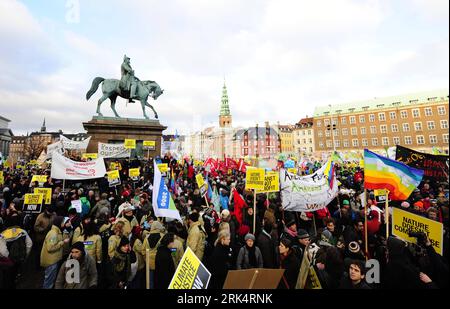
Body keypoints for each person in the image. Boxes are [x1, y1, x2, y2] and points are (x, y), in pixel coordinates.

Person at [41, 216, 70, 289]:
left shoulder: (57, 231)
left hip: (53, 260)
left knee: (50, 279)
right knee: (49, 281)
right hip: (51, 262)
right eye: (62, 222)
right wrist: (63, 242)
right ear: (59, 223)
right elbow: (50, 248)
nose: (64, 224)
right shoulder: (53, 233)